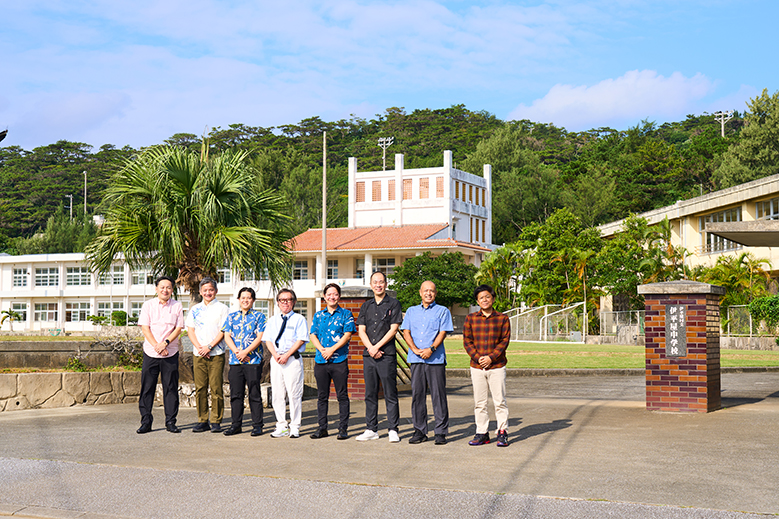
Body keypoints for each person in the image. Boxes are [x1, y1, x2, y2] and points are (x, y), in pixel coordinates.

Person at [401, 280, 453, 445]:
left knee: (438, 396)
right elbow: (406, 331)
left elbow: (443, 332)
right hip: (416, 359)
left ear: (435, 293)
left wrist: (431, 348)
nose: (428, 293)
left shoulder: (442, 311)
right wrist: (415, 349)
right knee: (417, 395)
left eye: (431, 291)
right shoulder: (411, 311)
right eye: (425, 290)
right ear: (420, 292)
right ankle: (420, 430)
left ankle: (440, 432)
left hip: (435, 359)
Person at [355, 271, 402, 443]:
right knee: (370, 393)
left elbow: (393, 329)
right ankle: (371, 429)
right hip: (369, 355)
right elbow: (361, 330)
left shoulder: (394, 304)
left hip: (386, 355)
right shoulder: (366, 306)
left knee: (390, 392)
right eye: (375, 282)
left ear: (386, 284)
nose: (378, 285)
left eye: (381, 282)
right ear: (370, 285)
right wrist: (371, 348)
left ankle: (392, 429)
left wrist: (377, 347)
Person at [463, 284, 511, 447]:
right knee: (480, 402)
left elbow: (504, 341)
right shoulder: (471, 318)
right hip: (477, 367)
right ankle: (482, 433)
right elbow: (467, 341)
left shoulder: (502, 318)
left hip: (497, 366)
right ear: (477, 300)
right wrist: (478, 358)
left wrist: (491, 358)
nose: (484, 300)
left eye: (487, 296)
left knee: (500, 401)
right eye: (481, 297)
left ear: (493, 298)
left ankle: (502, 432)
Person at [136, 276, 185, 434]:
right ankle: (146, 422)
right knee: (147, 388)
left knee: (170, 388)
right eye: (162, 287)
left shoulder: (177, 305)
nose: (165, 290)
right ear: (156, 289)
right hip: (151, 352)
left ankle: (171, 422)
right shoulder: (148, 305)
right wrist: (157, 346)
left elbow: (178, 329)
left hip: (170, 353)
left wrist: (165, 343)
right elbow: (145, 328)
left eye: (169, 287)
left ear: (172, 290)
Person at [309, 283, 356, 440]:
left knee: (342, 395)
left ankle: (343, 428)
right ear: (324, 296)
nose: (332, 297)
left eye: (335, 294)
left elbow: (347, 335)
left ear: (339, 296)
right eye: (329, 294)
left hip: (339, 361)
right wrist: (322, 349)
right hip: (321, 361)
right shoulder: (318, 315)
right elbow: (313, 335)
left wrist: (332, 350)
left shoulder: (346, 314)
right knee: (322, 396)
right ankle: (322, 428)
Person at [185, 277, 229, 433]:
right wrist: (200, 347)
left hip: (216, 353)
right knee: (200, 388)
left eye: (211, 290)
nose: (208, 292)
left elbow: (224, 330)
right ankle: (202, 420)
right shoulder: (195, 309)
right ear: (200, 292)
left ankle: (216, 420)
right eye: (205, 290)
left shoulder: (223, 308)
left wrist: (209, 346)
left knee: (216, 387)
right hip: (199, 354)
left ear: (216, 291)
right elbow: (190, 330)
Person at [264, 288, 308, 438]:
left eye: (288, 300)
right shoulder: (272, 320)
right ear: (277, 302)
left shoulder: (299, 319)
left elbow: (301, 339)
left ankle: (295, 426)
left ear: (294, 302)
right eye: (282, 300)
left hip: (292, 360)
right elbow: (268, 339)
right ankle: (281, 425)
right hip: (276, 359)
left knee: (294, 393)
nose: (285, 303)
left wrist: (286, 355)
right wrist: (275, 355)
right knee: (277, 394)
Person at [222, 287, 266, 437]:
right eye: (243, 297)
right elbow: (227, 336)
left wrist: (245, 352)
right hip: (235, 361)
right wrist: (237, 352)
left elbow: (260, 337)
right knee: (236, 394)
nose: (245, 300)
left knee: (254, 393)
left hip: (253, 360)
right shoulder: (231, 316)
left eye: (248, 297)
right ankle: (236, 425)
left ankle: (257, 425)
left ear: (253, 300)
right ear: (239, 299)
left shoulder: (259, 316)